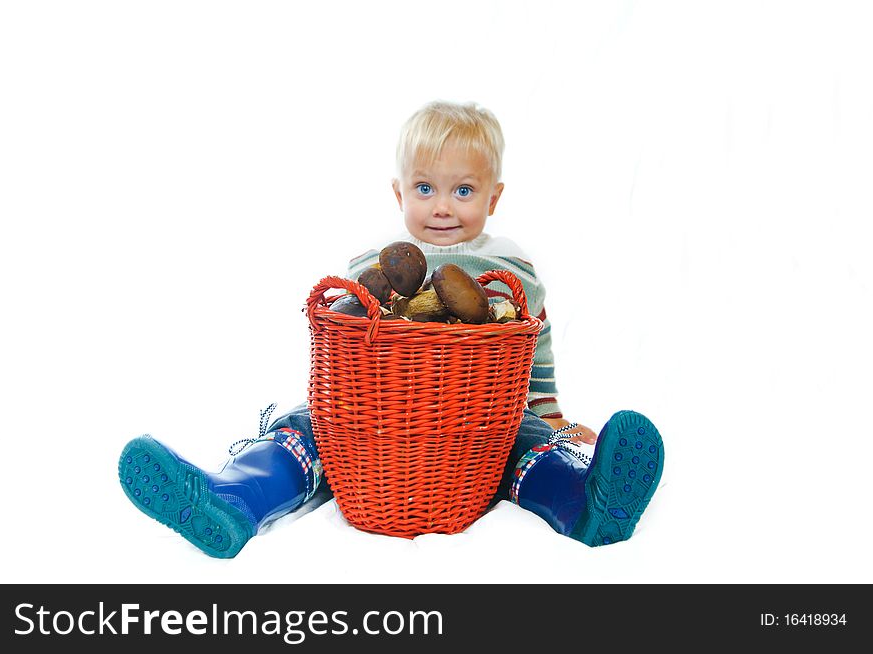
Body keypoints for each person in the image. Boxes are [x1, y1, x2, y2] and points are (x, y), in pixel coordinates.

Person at [117, 100, 664, 558]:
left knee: (528, 442)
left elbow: (532, 345)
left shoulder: (512, 268)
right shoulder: (370, 268)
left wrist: (550, 415)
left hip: (480, 420)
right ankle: (233, 499)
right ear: (399, 193)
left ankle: (584, 504)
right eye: (425, 189)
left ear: (494, 196)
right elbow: (343, 342)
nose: (443, 207)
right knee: (308, 429)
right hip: (376, 415)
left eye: (464, 191)